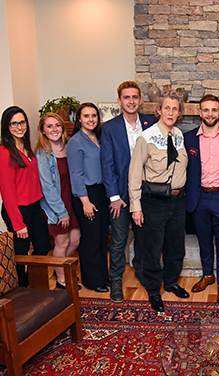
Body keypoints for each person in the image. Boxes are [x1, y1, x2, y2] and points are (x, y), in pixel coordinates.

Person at [129, 90, 189, 312]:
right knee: (152, 248)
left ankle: (171, 282)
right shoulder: (146, 137)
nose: (171, 112)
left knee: (175, 245)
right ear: (158, 110)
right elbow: (134, 174)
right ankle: (154, 289)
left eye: (175, 109)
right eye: (167, 108)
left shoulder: (180, 136)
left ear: (179, 112)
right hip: (153, 201)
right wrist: (136, 207)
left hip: (178, 200)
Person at [101, 81, 157, 302]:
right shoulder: (110, 127)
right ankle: (116, 279)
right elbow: (107, 164)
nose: (131, 101)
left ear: (141, 100)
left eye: (135, 97)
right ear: (119, 101)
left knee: (144, 236)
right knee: (119, 239)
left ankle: (141, 270)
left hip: (147, 192)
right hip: (121, 196)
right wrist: (114, 197)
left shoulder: (151, 123)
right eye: (127, 97)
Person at [184, 95, 219, 305]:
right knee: (204, 241)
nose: (210, 114)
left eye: (214, 110)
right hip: (198, 197)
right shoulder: (188, 138)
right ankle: (208, 275)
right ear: (200, 112)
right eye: (206, 110)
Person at [0, 106, 51, 286]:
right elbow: (7, 191)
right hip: (17, 210)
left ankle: (31, 283)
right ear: (6, 127)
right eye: (13, 124)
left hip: (34, 206)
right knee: (20, 254)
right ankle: (21, 289)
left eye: (22, 122)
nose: (19, 127)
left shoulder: (26, 147)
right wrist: (18, 224)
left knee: (43, 246)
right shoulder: (5, 152)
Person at [67, 102, 110, 293]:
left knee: (101, 237)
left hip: (101, 192)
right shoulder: (75, 142)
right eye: (86, 116)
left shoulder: (97, 138)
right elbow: (75, 174)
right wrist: (85, 202)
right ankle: (92, 281)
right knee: (91, 239)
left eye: (94, 116)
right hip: (86, 195)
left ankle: (103, 276)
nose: (91, 119)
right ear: (79, 119)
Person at [35, 112, 81, 289]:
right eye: (49, 126)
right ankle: (62, 280)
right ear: (43, 131)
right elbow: (47, 188)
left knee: (75, 240)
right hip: (56, 205)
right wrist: (61, 212)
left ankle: (58, 267)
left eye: (57, 125)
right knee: (62, 242)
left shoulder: (70, 147)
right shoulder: (43, 154)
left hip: (72, 200)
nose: (54, 129)